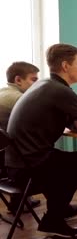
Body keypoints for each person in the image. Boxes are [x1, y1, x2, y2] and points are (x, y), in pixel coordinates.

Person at [5, 44, 77, 238]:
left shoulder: (44, 85)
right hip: (31, 167)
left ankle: (56, 215)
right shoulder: (60, 91)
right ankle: (66, 218)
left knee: (72, 165)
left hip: (17, 164)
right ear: (66, 66)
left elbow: (73, 119)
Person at [0, 61, 41, 211]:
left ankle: (18, 203)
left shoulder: (4, 92)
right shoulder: (18, 99)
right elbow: (40, 118)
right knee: (51, 158)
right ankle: (60, 210)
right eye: (33, 79)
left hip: (6, 160)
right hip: (13, 162)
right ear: (18, 80)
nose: (37, 84)